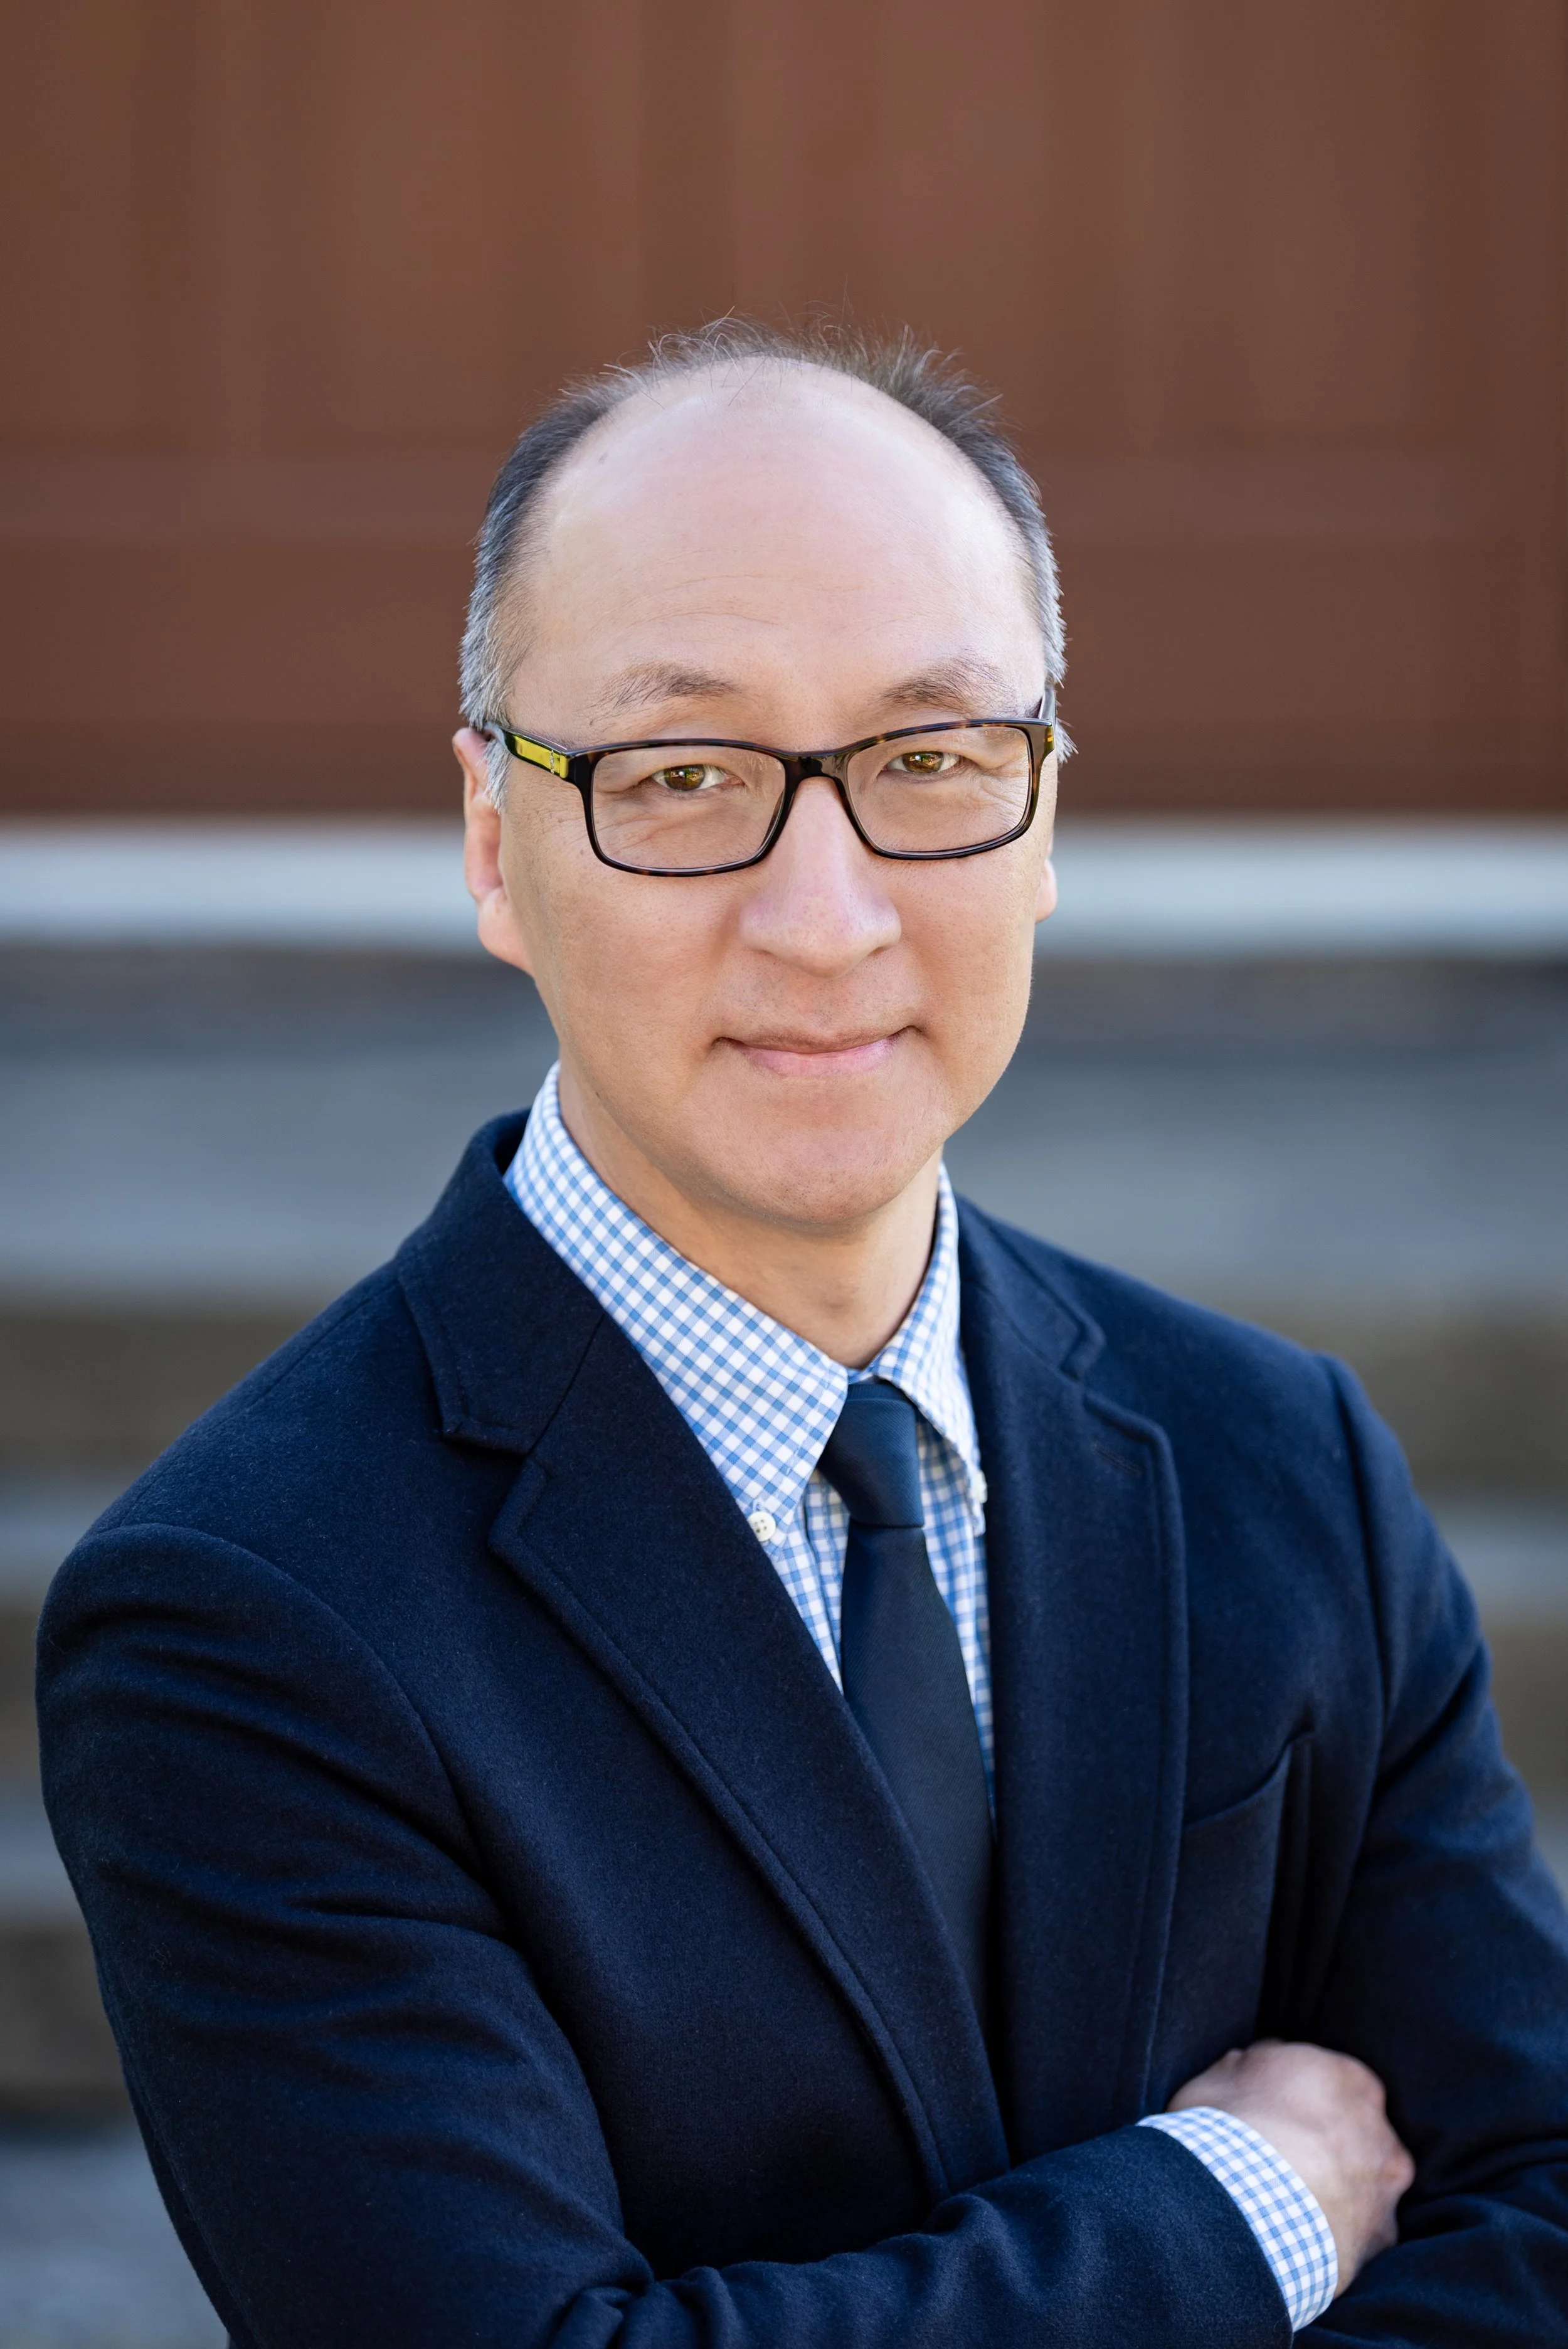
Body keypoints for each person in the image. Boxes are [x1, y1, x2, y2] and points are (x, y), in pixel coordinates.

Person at [38, 321, 1568, 2347]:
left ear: (1041, 820)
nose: (827, 915)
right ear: (499, 843)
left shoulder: (1281, 1461)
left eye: (931, 760)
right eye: (683, 777)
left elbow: (1541, 2203)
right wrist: (1241, 2209)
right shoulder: (247, 1618)